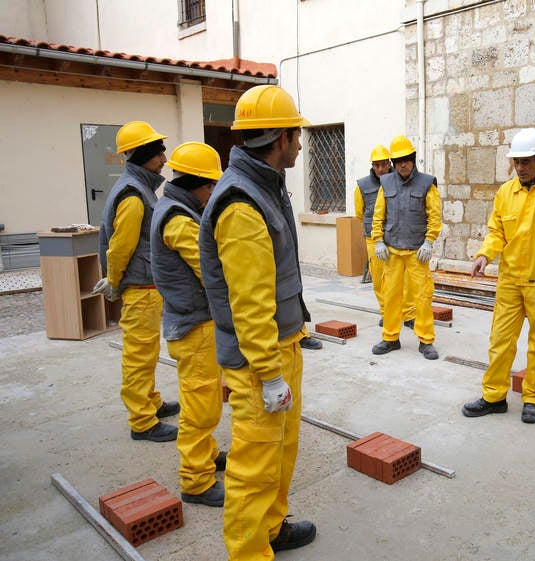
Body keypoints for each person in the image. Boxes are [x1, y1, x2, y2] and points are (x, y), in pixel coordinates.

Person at [198, 85, 316, 560]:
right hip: (258, 362)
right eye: (297, 135)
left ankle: (271, 527)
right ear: (280, 138)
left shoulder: (264, 184)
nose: (303, 144)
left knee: (280, 452)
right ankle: (249, 552)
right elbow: (250, 303)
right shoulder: (242, 203)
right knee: (253, 466)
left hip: (282, 346)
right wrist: (268, 374)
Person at [461, 128, 535, 424]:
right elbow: (496, 232)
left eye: (527, 162)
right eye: (517, 162)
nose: (520, 168)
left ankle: (532, 398)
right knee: (500, 340)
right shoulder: (506, 193)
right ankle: (494, 396)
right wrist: (484, 255)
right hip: (510, 281)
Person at [151, 142, 226, 507]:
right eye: (211, 185)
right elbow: (209, 270)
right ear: (197, 184)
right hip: (194, 326)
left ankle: (209, 455)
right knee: (200, 407)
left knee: (205, 397)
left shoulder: (178, 207)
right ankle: (196, 481)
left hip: (193, 322)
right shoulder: (179, 219)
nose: (213, 192)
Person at [94, 121, 179, 442]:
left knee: (146, 351)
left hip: (147, 286)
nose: (164, 159)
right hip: (140, 288)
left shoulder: (139, 187)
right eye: (159, 153)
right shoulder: (133, 194)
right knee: (138, 356)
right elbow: (121, 246)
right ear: (144, 154)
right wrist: (113, 281)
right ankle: (142, 421)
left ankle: (151, 402)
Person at [370, 135, 442, 360]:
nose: (403, 164)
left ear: (413, 159)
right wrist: (378, 240)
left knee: (422, 298)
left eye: (407, 159)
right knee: (390, 296)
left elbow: (435, 216)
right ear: (393, 162)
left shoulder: (427, 184)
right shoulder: (386, 184)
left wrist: (430, 241)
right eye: (399, 160)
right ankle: (390, 338)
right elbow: (378, 215)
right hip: (392, 252)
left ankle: (426, 340)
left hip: (416, 254)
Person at [355, 144, 416, 328]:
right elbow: (360, 212)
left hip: (394, 238)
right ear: (372, 166)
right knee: (379, 278)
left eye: (383, 164)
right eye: (376, 165)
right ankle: (386, 312)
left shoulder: (398, 181)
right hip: (374, 240)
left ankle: (407, 315)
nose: (380, 169)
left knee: (403, 280)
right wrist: (375, 234)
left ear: (389, 163)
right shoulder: (362, 186)